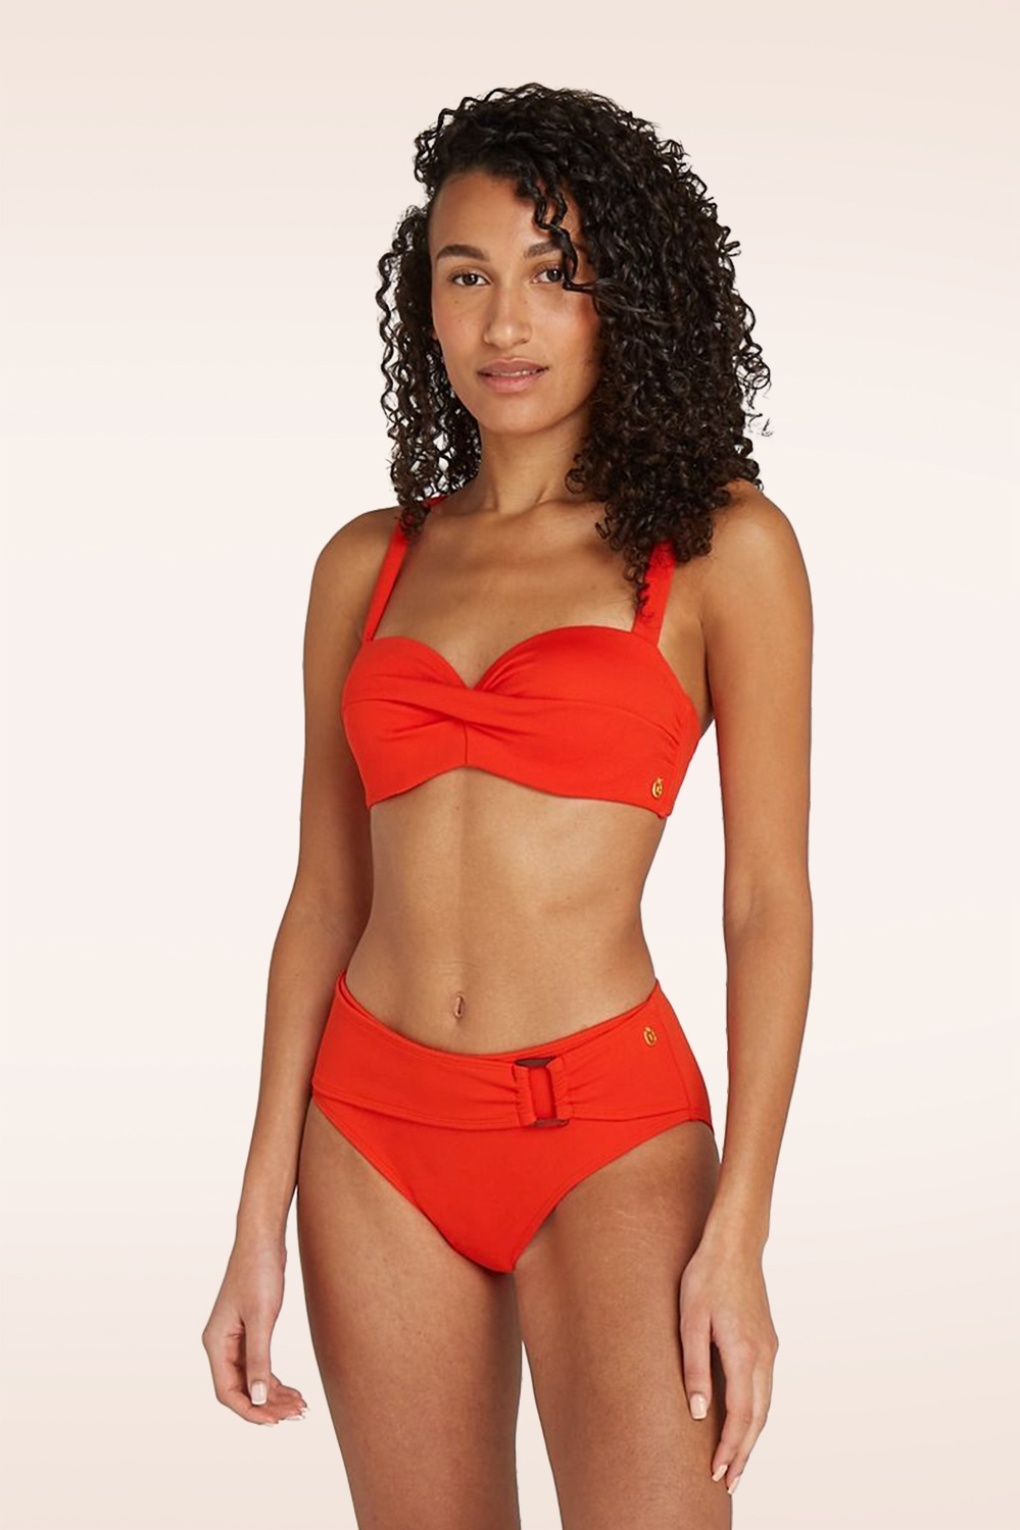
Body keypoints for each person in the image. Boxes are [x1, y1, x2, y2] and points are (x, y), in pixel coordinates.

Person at [202, 82, 813, 1530]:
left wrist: (742, 1229)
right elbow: (324, 897)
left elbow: (765, 903)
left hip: (613, 1134)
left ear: (629, 300)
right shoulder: (366, 563)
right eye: (465, 276)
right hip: (372, 1136)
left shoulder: (720, 549)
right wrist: (256, 1214)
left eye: (554, 274)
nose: (504, 323)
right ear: (424, 302)